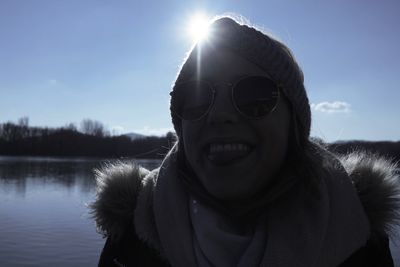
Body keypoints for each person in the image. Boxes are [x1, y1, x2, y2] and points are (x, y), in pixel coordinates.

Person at [90, 16, 400, 267]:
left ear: (294, 123)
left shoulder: (355, 232)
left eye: (254, 94)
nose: (220, 115)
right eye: (197, 97)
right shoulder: (133, 230)